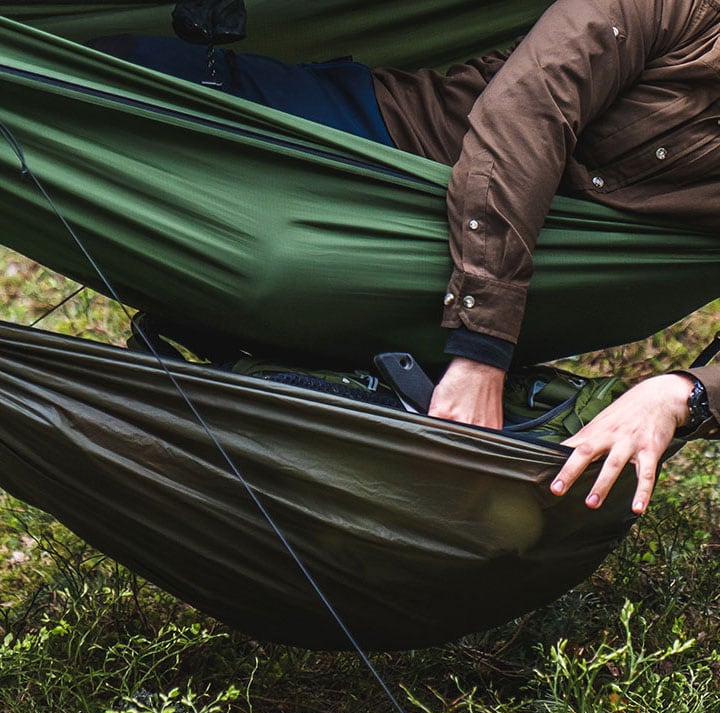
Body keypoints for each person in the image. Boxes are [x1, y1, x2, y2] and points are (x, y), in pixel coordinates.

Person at [89, 0, 720, 514]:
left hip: (385, 275)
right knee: (67, 85)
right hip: (354, 138)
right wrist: (480, 352)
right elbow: (525, 115)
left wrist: (679, 393)